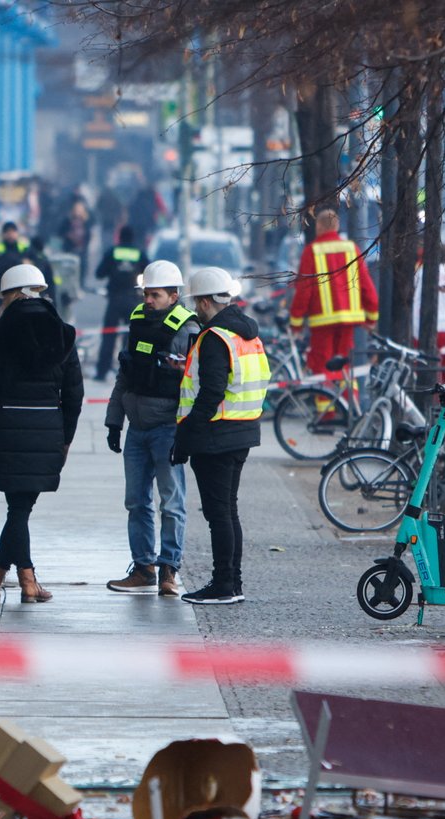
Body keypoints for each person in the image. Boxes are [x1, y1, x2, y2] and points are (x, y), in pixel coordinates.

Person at [0, 264, 84, 603]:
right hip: (47, 427)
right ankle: (19, 579)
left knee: (18, 507)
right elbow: (74, 393)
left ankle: (3, 576)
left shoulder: (1, 334)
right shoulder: (63, 334)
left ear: (11, 296)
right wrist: (66, 437)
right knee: (21, 507)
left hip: (7, 428)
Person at [172, 266, 270, 605]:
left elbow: (210, 391)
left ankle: (224, 584)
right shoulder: (247, 333)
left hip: (216, 435)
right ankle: (232, 582)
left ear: (202, 301)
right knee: (228, 511)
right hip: (242, 431)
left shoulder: (214, 337)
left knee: (219, 514)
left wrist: (184, 438)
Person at [103, 259, 199, 597]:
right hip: (136, 429)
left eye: (155, 295)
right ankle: (143, 568)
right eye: (146, 294)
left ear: (174, 296)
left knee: (171, 502)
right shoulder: (138, 321)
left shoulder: (188, 329)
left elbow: (193, 385)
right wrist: (114, 421)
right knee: (136, 502)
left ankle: (168, 570)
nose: (148, 300)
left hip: (167, 429)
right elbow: (125, 374)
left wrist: (186, 431)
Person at [289, 207, 379, 382]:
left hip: (322, 321)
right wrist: (371, 318)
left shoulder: (312, 251)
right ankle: (347, 406)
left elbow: (304, 290)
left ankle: (327, 409)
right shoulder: (351, 249)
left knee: (321, 367)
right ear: (337, 226)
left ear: (320, 227)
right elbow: (367, 286)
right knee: (344, 367)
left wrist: (296, 323)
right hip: (348, 322)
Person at [93, 226, 147, 381]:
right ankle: (128, 371)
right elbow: (149, 271)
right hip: (133, 300)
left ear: (119, 237)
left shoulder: (113, 252)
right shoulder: (139, 253)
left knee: (109, 335)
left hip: (115, 300)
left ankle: (102, 371)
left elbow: (99, 273)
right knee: (131, 338)